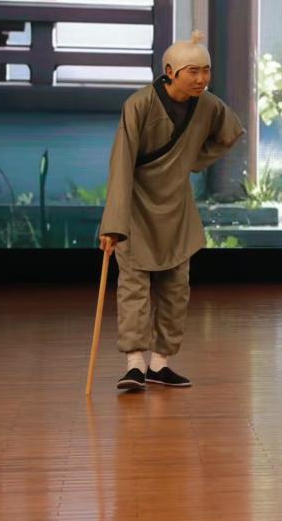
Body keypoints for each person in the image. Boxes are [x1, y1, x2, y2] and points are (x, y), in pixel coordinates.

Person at [100, 31, 244, 391]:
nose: (201, 79)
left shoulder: (208, 106)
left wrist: (192, 160)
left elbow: (230, 133)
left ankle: (160, 364)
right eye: (193, 71)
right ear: (169, 72)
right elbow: (121, 164)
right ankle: (135, 364)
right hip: (137, 209)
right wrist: (114, 225)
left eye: (206, 71)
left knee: (176, 289)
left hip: (178, 210)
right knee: (134, 289)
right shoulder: (139, 105)